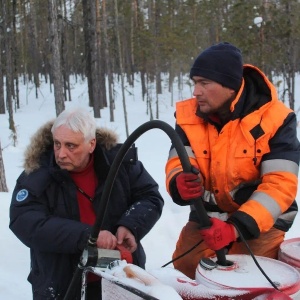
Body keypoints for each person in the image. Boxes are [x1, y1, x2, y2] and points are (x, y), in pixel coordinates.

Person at [165, 42, 300, 279]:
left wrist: (236, 227)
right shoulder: (189, 116)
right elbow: (179, 157)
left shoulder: (277, 119)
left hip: (261, 221)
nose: (196, 91)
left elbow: (280, 184)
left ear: (231, 87)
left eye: (204, 83)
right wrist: (179, 179)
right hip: (208, 214)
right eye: (194, 82)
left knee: (248, 277)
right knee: (186, 269)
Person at [9, 108, 164, 299]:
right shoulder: (37, 174)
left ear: (91, 144)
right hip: (62, 285)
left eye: (71, 146)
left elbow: (149, 196)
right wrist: (87, 236)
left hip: (121, 279)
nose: (61, 154)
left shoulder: (119, 163)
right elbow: (24, 221)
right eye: (57, 144)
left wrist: (130, 225)